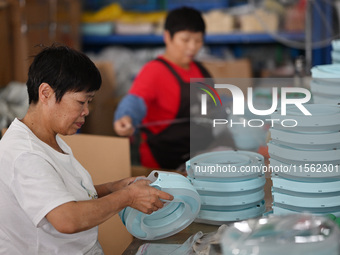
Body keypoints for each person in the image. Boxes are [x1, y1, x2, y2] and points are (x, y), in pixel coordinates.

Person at [0, 45, 173, 255]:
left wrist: (112, 188)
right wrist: (128, 197)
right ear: (45, 93)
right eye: (81, 101)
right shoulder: (24, 154)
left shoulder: (47, 138)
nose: (86, 111)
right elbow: (67, 218)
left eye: (89, 102)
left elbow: (61, 193)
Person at [114, 7, 212, 170]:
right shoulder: (154, 71)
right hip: (161, 162)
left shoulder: (201, 70)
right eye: (186, 40)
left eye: (198, 40)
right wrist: (125, 117)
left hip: (197, 156)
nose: (192, 47)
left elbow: (212, 104)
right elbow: (135, 100)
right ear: (167, 37)